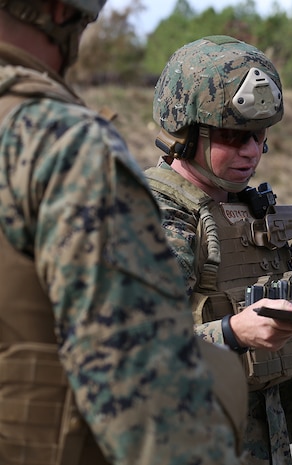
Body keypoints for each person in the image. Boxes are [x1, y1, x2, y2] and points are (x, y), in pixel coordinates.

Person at [0, 2, 249, 464]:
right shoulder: (55, 143)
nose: (251, 150)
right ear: (63, 12)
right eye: (233, 136)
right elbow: (144, 384)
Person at [144, 36, 292, 465]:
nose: (252, 151)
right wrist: (233, 333)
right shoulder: (152, 215)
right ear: (186, 132)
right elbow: (136, 345)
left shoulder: (248, 209)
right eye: (233, 137)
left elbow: (284, 339)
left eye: (258, 135)